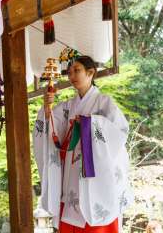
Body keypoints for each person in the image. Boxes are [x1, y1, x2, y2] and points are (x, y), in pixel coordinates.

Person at [33, 56, 133, 232]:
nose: (72, 76)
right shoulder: (67, 106)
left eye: (77, 70)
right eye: (70, 72)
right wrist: (47, 109)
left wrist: (90, 123)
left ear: (90, 73)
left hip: (94, 176)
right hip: (70, 174)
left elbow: (120, 131)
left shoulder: (104, 103)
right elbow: (53, 131)